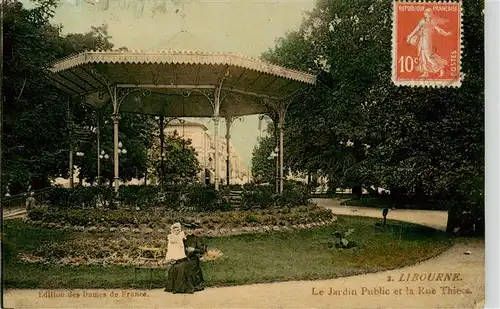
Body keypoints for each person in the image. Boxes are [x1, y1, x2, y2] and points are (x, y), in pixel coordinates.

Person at [406, 8, 452, 78]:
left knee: (428, 56)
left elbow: (439, 30)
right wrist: (410, 37)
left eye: (430, 12)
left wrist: (446, 33)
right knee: (423, 56)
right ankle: (425, 72)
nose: (428, 14)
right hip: (422, 39)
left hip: (427, 40)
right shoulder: (422, 21)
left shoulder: (433, 22)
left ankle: (441, 68)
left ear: (431, 14)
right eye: (427, 12)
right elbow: (416, 29)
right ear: (425, 14)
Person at [164, 223, 195, 294]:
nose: (176, 231)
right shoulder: (171, 237)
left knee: (181, 267)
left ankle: (181, 288)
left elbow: (184, 240)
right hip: (174, 253)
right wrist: (170, 257)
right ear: (172, 231)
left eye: (178, 230)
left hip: (182, 256)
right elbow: (170, 248)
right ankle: (174, 287)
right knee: (174, 268)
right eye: (175, 230)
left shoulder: (181, 236)